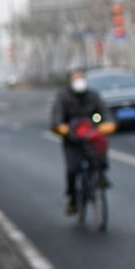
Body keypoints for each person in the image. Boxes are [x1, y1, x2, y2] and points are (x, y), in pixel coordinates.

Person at [51, 69, 114, 215]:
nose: (79, 81)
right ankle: (73, 197)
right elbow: (57, 119)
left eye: (82, 78)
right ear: (70, 81)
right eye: (76, 79)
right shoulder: (63, 97)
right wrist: (63, 129)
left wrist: (107, 125)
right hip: (72, 139)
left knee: (99, 154)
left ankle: (101, 176)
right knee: (73, 169)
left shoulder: (93, 96)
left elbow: (106, 113)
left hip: (90, 137)